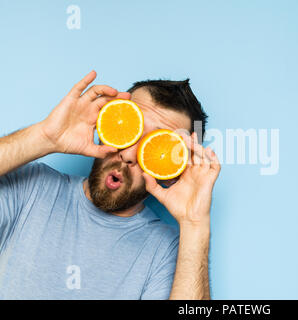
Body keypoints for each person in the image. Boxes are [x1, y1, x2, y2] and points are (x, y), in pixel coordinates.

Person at [0, 71, 220, 299]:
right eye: (128, 130)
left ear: (173, 170)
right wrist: (45, 137)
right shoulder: (31, 188)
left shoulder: (168, 252)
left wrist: (195, 225)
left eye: (155, 147)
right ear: (107, 124)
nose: (128, 155)